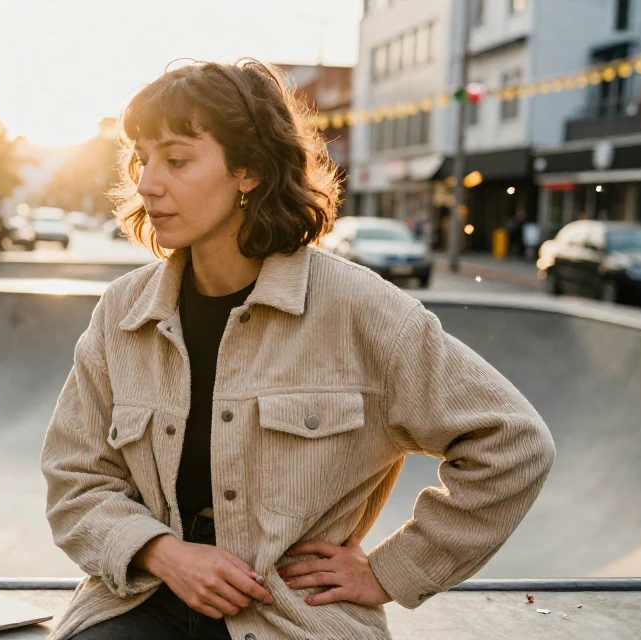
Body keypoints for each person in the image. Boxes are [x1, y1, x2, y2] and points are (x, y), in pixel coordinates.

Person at [40, 59, 555, 640]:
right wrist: (163, 554)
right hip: (142, 602)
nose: (147, 183)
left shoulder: (360, 309)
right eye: (142, 158)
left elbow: (512, 442)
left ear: (250, 171)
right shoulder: (122, 313)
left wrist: (390, 571)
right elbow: (74, 477)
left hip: (292, 616)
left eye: (177, 160)